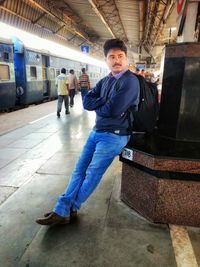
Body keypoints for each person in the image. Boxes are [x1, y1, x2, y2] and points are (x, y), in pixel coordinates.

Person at [36, 38, 140, 226]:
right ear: (106, 60)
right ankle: (64, 209)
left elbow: (113, 110)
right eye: (111, 57)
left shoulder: (130, 82)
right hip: (97, 131)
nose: (116, 60)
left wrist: (101, 105)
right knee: (79, 170)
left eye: (120, 56)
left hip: (115, 135)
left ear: (126, 58)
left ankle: (67, 209)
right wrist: (104, 103)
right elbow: (86, 102)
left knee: (92, 173)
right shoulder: (105, 80)